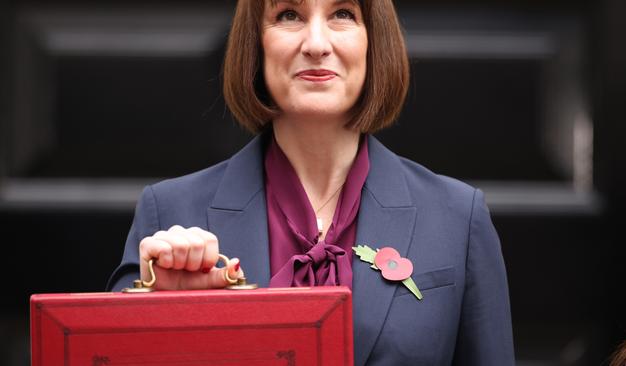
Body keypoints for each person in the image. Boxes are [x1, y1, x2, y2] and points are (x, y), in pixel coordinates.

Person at [107, 0, 515, 364]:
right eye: (289, 15)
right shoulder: (170, 213)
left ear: (375, 42)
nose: (316, 43)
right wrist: (156, 306)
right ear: (256, 44)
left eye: (343, 14)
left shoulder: (458, 217)